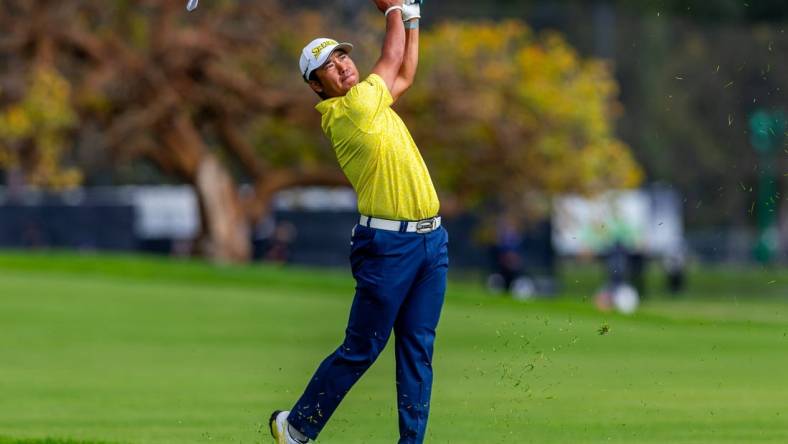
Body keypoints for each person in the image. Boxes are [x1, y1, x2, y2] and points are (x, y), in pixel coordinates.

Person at [269, 1, 448, 443]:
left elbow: (403, 74)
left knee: (417, 352)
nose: (342, 66)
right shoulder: (348, 112)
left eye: (342, 56)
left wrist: (413, 17)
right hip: (387, 248)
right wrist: (393, 9)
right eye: (328, 67)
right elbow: (389, 61)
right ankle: (296, 428)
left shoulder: (370, 99)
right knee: (362, 348)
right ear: (317, 87)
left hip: (431, 242)